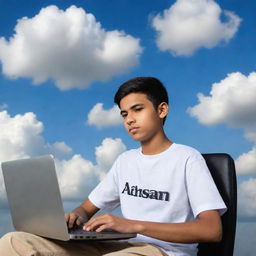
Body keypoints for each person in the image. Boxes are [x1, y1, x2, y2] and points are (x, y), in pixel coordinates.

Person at [0, 77, 226, 256]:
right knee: (13, 242)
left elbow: (211, 230)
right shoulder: (125, 161)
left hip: (164, 252)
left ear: (162, 110)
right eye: (124, 114)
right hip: (119, 248)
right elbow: (86, 209)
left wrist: (132, 225)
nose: (129, 119)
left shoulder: (187, 159)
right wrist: (75, 217)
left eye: (138, 109)